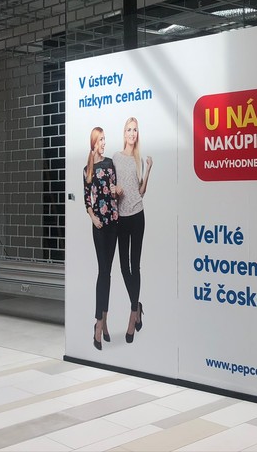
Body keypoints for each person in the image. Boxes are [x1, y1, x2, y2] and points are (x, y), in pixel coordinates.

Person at [113, 117, 153, 343]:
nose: (132, 133)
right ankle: (137, 305)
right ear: (124, 133)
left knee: (134, 266)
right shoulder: (116, 158)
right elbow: (110, 185)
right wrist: (114, 188)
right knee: (123, 267)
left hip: (137, 215)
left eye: (135, 130)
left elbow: (141, 191)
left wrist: (149, 170)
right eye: (129, 129)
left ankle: (132, 317)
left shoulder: (139, 160)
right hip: (121, 217)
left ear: (137, 134)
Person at [84, 127, 121, 351]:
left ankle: (104, 322)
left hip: (113, 222)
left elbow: (114, 192)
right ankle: (98, 323)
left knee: (108, 272)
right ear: (94, 143)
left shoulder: (109, 164)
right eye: (100, 140)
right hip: (98, 225)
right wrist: (93, 217)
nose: (104, 143)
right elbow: (87, 200)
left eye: (105, 139)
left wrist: (118, 191)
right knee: (103, 271)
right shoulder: (87, 169)